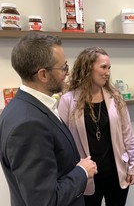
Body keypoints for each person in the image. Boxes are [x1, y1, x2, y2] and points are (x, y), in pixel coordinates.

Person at [0, 32, 97, 206]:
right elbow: (45, 201)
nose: (67, 74)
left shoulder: (27, 107)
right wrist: (82, 171)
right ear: (43, 75)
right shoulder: (28, 125)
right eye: (64, 68)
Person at [58, 47, 134, 206]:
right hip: (86, 175)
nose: (107, 72)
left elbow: (127, 135)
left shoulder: (115, 97)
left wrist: (133, 166)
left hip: (116, 172)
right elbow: (62, 141)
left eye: (109, 68)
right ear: (87, 68)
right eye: (103, 67)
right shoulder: (68, 100)